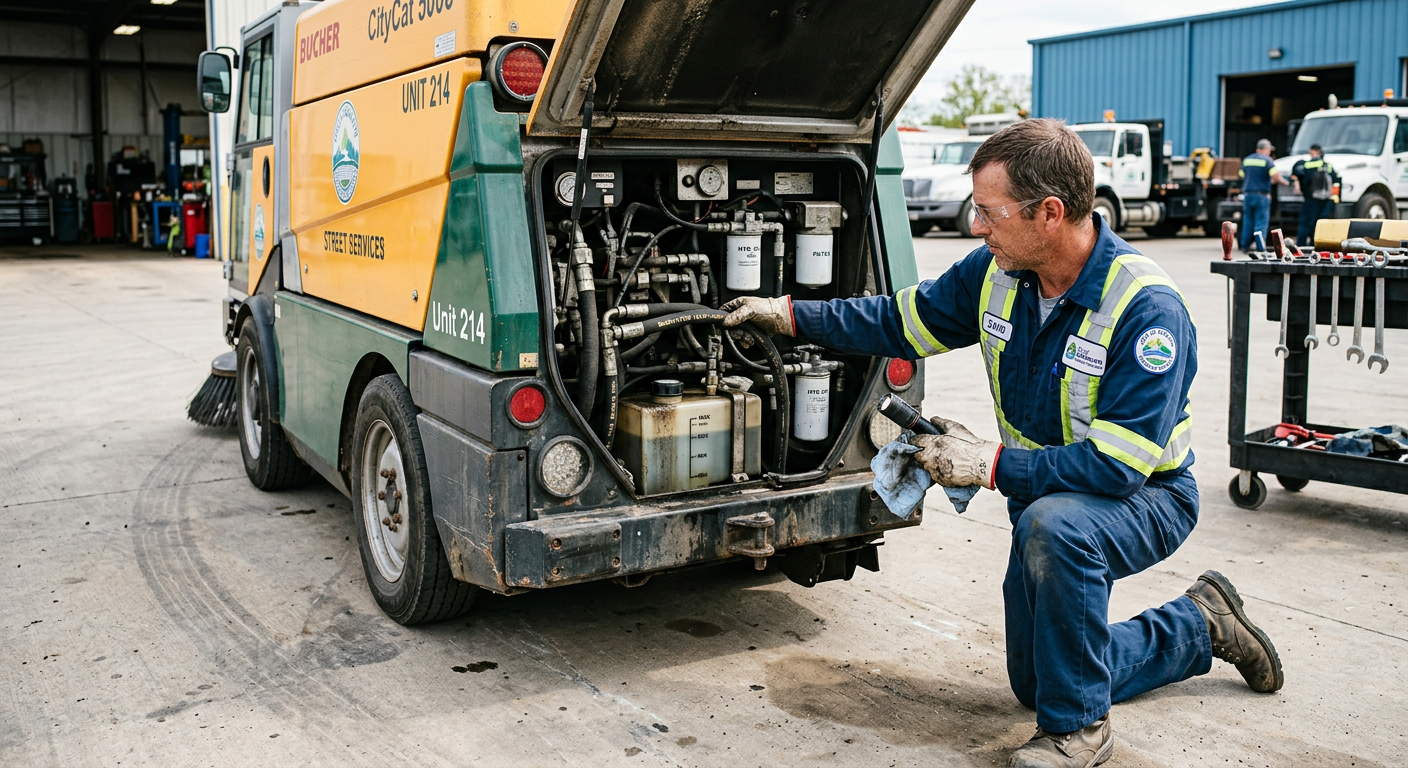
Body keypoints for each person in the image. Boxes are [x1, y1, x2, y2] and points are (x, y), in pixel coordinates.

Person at [722, 119, 1283, 768]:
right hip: (1046, 498)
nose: (976, 226)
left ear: (1050, 213)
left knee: (1057, 532)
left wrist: (985, 463)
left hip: (1144, 498)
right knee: (1038, 681)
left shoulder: (1145, 310)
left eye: (990, 213)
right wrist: (791, 315)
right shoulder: (998, 272)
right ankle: (1199, 623)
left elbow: (1114, 468)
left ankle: (1079, 733)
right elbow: (898, 320)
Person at [1238, 138, 1289, 252]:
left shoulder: (1247, 160)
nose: (1269, 152)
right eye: (1269, 150)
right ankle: (1260, 247)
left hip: (1248, 195)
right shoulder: (1267, 161)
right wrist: (1286, 182)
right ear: (1264, 149)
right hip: (1261, 196)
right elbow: (1275, 176)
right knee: (1261, 222)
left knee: (1248, 221)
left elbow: (1241, 175)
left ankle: (1245, 246)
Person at [1290, 144, 1339, 247]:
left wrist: (1296, 182)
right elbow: (1336, 180)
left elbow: (1297, 175)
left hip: (1310, 200)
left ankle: (1301, 246)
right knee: (1319, 225)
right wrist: (1335, 199)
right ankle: (1316, 245)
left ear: (1315, 152)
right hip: (1326, 201)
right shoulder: (1327, 166)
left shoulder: (1305, 165)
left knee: (1305, 223)